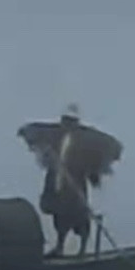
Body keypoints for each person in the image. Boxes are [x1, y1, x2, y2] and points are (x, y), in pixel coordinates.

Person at [41, 104, 91, 258]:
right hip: (58, 183)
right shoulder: (56, 138)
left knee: (79, 215)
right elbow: (49, 157)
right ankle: (59, 247)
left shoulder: (82, 141)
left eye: (71, 121)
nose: (67, 124)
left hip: (74, 185)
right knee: (59, 216)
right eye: (65, 120)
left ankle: (82, 250)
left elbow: (86, 163)